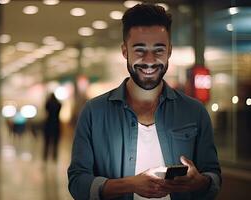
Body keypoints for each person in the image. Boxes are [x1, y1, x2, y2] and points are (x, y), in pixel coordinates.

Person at [67, 4, 221, 200]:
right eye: (140, 50)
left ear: (170, 51)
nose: (149, 60)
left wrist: (199, 181)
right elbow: (77, 184)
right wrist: (130, 184)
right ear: (125, 51)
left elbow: (214, 177)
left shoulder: (194, 111)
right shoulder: (94, 112)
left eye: (159, 50)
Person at [43, 93, 62, 161]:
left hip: (48, 124)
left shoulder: (48, 103)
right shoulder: (58, 104)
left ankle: (45, 156)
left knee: (47, 143)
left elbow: (46, 108)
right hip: (56, 124)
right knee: (55, 143)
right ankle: (54, 156)